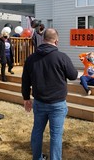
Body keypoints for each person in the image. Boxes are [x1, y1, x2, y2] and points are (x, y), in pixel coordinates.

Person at [22, 28, 78, 160]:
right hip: (57, 104)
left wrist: (26, 98)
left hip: (40, 102)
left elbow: (25, 81)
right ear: (56, 41)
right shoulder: (62, 57)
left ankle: (37, 158)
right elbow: (73, 75)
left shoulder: (31, 58)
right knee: (56, 135)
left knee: (37, 132)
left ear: (43, 39)